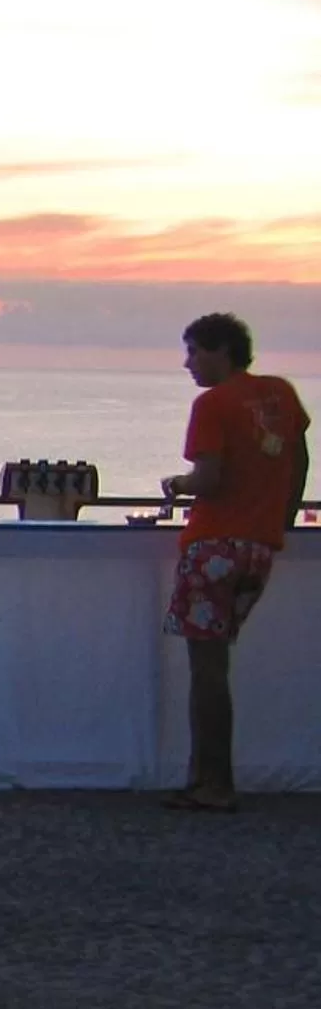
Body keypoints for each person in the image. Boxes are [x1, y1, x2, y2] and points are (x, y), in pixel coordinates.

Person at [158, 313, 309, 813]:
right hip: (258, 549)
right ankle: (205, 778)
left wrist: (177, 485)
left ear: (221, 350)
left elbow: (211, 478)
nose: (188, 364)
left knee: (207, 671)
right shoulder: (280, 395)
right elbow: (300, 459)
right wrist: (279, 519)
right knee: (217, 664)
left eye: (194, 352)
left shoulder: (213, 404)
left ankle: (213, 784)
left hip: (214, 547)